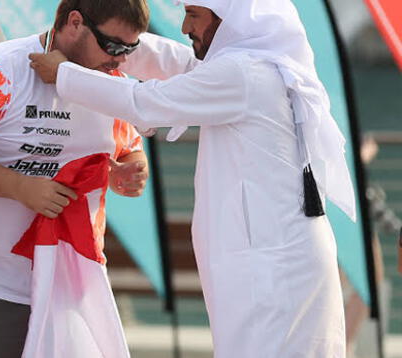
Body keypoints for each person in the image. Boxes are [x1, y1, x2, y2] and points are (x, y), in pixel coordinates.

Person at [29, 0, 358, 356]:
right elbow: (177, 63)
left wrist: (64, 74)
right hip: (269, 267)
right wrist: (106, 39)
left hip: (273, 275)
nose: (185, 27)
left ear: (229, 21)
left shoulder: (244, 74)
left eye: (194, 15)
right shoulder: (249, 66)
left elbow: (143, 102)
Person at [0, 0, 150, 357]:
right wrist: (19, 187)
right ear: (75, 22)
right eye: (113, 46)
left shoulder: (110, 83)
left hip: (73, 284)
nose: (120, 60)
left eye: (131, 49)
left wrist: (132, 168)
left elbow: (128, 147)